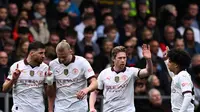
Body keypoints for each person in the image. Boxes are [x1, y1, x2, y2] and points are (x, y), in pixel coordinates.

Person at [89, 44, 153, 112]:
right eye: (120, 58)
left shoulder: (131, 72)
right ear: (113, 59)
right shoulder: (104, 73)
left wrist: (148, 60)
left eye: (124, 58)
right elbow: (94, 92)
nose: (122, 60)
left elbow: (148, 71)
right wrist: (92, 107)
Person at [47, 40, 98, 112]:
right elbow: (51, 93)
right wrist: (49, 82)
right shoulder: (53, 64)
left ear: (70, 52)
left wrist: (86, 90)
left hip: (79, 107)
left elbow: (95, 83)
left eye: (64, 57)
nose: (61, 59)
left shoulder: (82, 62)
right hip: (60, 107)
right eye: (59, 57)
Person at [2, 41, 50, 112]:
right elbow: (4, 89)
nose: (43, 56)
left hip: (38, 110)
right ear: (31, 53)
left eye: (44, 53)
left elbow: (48, 94)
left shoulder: (45, 68)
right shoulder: (16, 66)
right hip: (19, 110)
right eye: (40, 53)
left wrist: (49, 82)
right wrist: (13, 80)